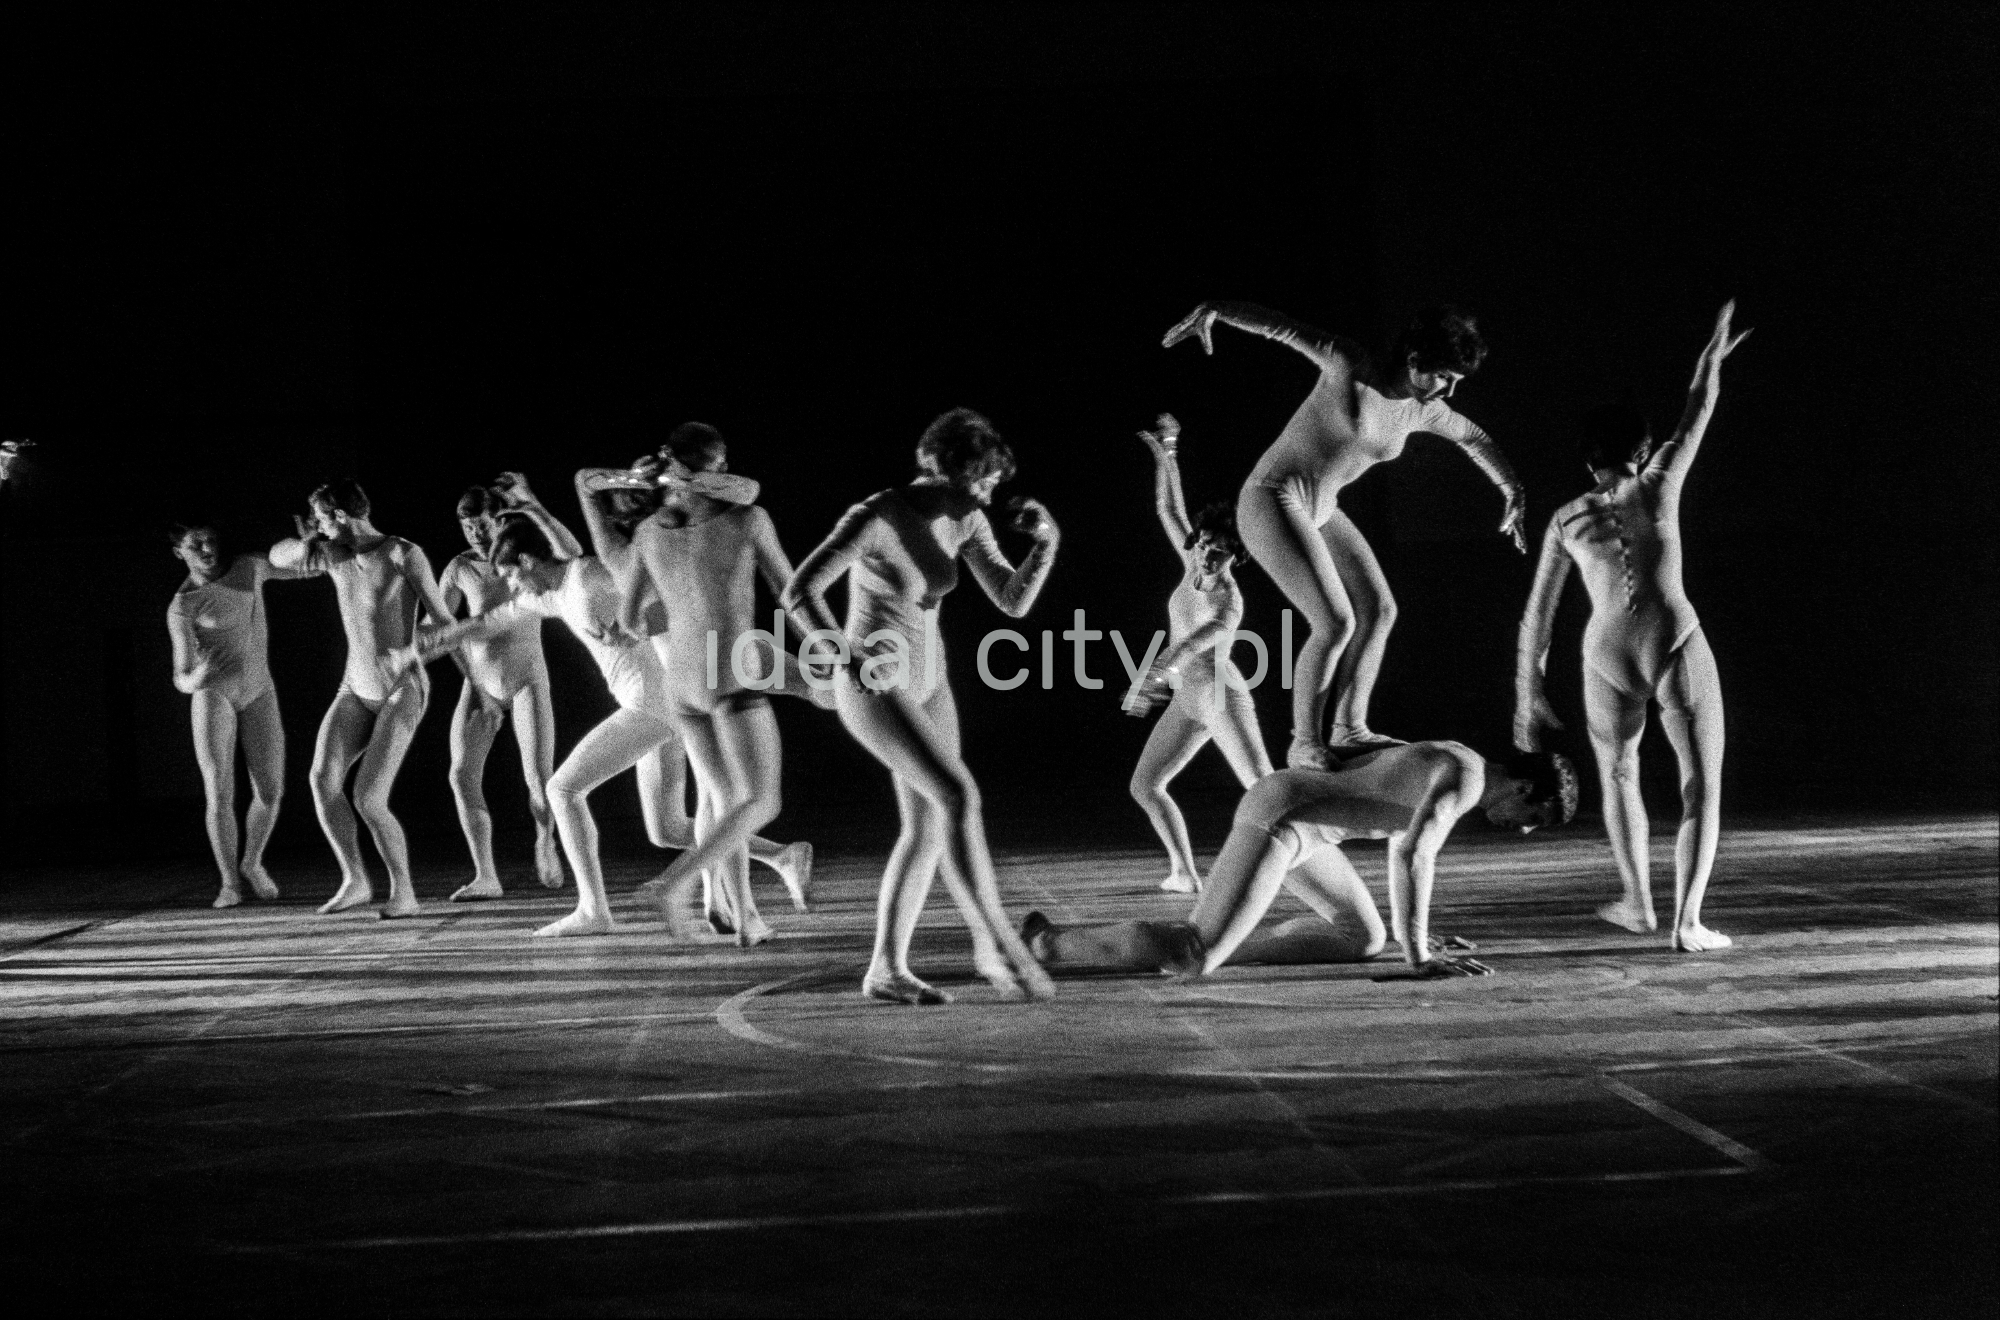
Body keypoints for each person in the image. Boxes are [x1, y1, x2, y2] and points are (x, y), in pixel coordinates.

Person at [1163, 301, 1528, 769]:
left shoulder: (1422, 410)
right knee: (1336, 622)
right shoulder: (1351, 366)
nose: (1450, 390)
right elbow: (1282, 326)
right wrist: (1219, 311)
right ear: (1415, 359)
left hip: (1321, 507)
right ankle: (1304, 743)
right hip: (1271, 499)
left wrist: (1511, 489)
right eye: (1444, 375)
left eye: (1456, 380)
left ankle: (1349, 727)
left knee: (1379, 610)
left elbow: (1474, 438)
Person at [783, 407, 1061, 1005]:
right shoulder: (877, 515)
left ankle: (885, 968)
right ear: (956, 471)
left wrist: (1047, 543)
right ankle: (991, 941)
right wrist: (842, 657)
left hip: (932, 680)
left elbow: (1012, 602)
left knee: (930, 824)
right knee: (959, 797)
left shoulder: (966, 518)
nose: (991, 494)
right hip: (877, 680)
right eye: (986, 480)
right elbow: (799, 590)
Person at [1514, 301, 1750, 953]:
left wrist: (1526, 697)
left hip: (1604, 654)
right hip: (1672, 640)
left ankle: (1639, 904)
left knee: (1620, 775)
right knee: (1701, 783)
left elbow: (1538, 616)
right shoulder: (1659, 482)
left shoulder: (1566, 519)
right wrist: (1711, 356)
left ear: (1587, 458)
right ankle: (1688, 922)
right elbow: (1699, 406)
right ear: (1640, 451)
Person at [1024, 744, 1577, 978]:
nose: (1525, 828)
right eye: (1537, 816)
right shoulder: (1466, 780)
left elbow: (1366, 766)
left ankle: (1227, 941)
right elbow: (1411, 852)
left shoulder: (1462, 759)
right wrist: (1419, 954)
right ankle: (1046, 943)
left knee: (1360, 937)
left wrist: (1418, 936)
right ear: (1526, 788)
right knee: (1192, 955)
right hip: (1285, 820)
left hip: (1309, 824)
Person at [576, 455, 814, 929]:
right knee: (701, 810)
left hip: (702, 673)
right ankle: (730, 903)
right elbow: (585, 482)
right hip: (697, 675)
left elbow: (745, 492)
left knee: (720, 798)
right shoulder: (638, 547)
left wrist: (656, 478)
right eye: (626, 496)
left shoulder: (656, 541)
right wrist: (647, 476)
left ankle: (730, 905)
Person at [269, 478, 454, 918]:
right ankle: (355, 878)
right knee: (321, 780)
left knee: (369, 798)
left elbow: (446, 623)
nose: (317, 525)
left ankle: (404, 891)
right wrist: (304, 541)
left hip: (401, 689)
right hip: (354, 687)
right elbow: (277, 555)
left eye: (320, 517)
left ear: (339, 515)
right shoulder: (332, 554)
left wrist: (415, 651)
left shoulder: (402, 553)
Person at [1122, 414, 1273, 893]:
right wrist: (1167, 451)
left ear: (1236, 556)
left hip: (1222, 696)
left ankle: (1303, 864)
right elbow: (1168, 508)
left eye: (1220, 552)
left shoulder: (1229, 601)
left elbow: (1188, 646)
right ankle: (1185, 873)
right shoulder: (1192, 559)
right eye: (1206, 544)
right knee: (1145, 785)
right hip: (1190, 698)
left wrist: (1150, 678)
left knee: (1266, 792)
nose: (1208, 555)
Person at [436, 475, 571, 901]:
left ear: (500, 521)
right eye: (468, 527)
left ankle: (545, 838)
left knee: (538, 778)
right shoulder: (459, 568)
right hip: (480, 684)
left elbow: (568, 560)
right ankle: (485, 874)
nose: (477, 534)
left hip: (526, 680)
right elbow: (442, 627)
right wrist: (473, 684)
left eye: (483, 524)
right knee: (461, 775)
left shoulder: (523, 559)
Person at [165, 523, 309, 908]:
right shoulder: (184, 604)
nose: (209, 548)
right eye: (197, 544)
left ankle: (252, 861)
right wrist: (195, 676)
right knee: (220, 792)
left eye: (212, 539)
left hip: (260, 688)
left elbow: (303, 566)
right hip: (214, 694)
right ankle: (229, 882)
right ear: (179, 551)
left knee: (271, 788)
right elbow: (179, 676)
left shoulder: (247, 568)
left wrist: (306, 542)